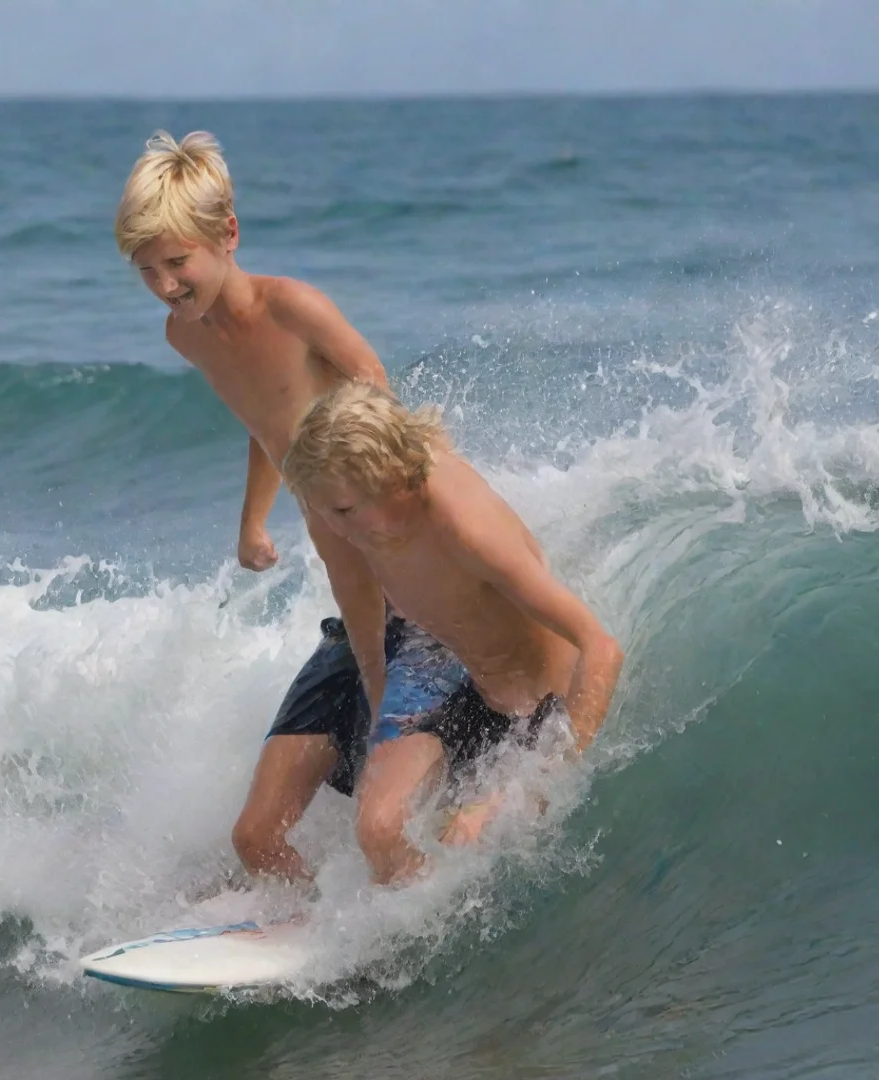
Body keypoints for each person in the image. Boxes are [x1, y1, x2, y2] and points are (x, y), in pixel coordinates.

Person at [115, 130, 419, 887]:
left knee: (384, 819)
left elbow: (376, 393)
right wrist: (254, 520)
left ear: (228, 236)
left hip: (401, 596)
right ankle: (326, 936)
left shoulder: (294, 309)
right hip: (351, 620)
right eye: (146, 270)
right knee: (255, 839)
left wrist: (379, 519)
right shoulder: (187, 337)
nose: (165, 286)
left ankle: (414, 917)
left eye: (177, 263)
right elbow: (267, 422)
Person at [281, 381, 624, 885]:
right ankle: (404, 937)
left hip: (542, 713)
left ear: (388, 478)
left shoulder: (463, 527)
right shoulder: (365, 522)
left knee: (468, 833)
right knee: (378, 830)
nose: (332, 526)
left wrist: (536, 784)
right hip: (477, 695)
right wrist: (382, 720)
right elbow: (362, 618)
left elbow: (601, 648)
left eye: (343, 510)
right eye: (324, 510)